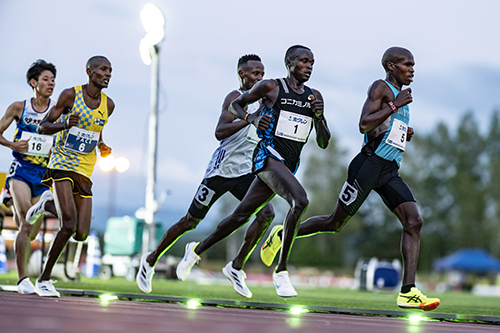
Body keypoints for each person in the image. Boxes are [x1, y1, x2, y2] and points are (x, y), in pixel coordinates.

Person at [260, 47, 440, 311]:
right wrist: (394, 106)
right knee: (334, 223)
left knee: (414, 221)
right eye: (407, 64)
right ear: (391, 66)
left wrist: (402, 130)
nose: (412, 69)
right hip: (367, 166)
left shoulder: (400, 96)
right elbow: (364, 124)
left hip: (389, 170)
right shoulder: (381, 88)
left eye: (413, 65)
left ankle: (408, 291)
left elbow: (382, 127)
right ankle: (285, 231)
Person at [176, 45, 331, 298]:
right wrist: (253, 119)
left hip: (288, 165)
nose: (309, 66)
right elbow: (237, 105)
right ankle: (281, 272)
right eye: (303, 61)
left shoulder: (314, 96)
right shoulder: (272, 87)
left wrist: (320, 117)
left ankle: (200, 253)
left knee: (240, 216)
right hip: (267, 158)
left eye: (312, 62)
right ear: (289, 62)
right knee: (300, 201)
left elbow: (324, 143)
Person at [136, 54, 275, 298]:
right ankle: (149, 261)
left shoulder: (266, 101)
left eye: (262, 74)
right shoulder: (235, 98)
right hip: (220, 172)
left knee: (266, 213)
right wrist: (249, 120)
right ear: (242, 75)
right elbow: (219, 132)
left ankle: (236, 267)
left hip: (245, 172)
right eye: (255, 74)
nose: (260, 78)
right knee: (190, 221)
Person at [34, 55, 114, 297]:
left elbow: (96, 132)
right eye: (103, 69)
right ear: (89, 72)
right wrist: (65, 124)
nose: (108, 74)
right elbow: (43, 127)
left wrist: (102, 146)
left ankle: (48, 204)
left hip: (85, 167)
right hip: (62, 162)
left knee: (81, 233)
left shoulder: (109, 105)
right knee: (67, 225)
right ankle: (44, 279)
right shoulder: (71, 95)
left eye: (110, 70)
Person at [0, 59, 59, 295]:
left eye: (53, 80)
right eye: (46, 79)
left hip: (43, 175)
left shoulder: (57, 110)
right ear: (34, 83)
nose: (51, 83)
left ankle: (13, 200)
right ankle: (23, 279)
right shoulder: (18, 107)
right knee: (25, 220)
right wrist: (13, 143)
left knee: (31, 229)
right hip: (21, 170)